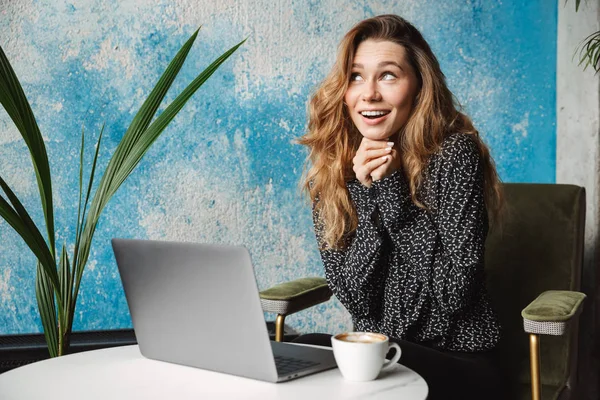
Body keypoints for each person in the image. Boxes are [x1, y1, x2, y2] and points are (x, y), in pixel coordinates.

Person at [294, 14, 507, 400]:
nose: (369, 93)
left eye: (388, 75)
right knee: (303, 348)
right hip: (379, 356)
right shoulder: (332, 172)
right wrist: (368, 193)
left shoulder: (455, 154)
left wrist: (391, 191)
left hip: (460, 361)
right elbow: (357, 298)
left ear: (418, 86)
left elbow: (455, 294)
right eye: (356, 76)